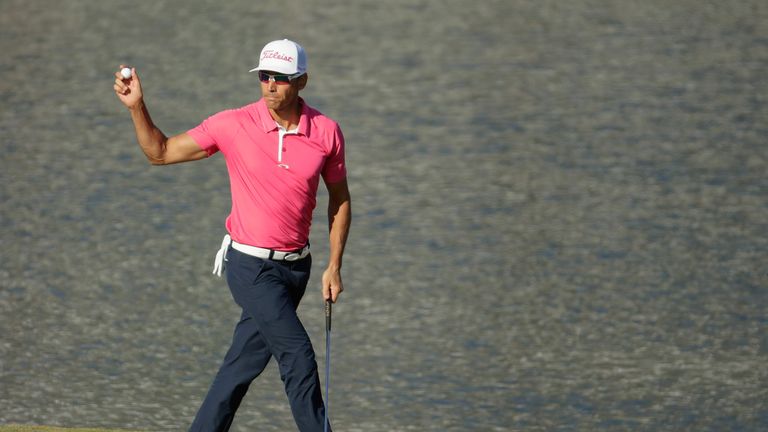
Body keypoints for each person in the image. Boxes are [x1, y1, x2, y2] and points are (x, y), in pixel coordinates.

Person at [113, 39, 350, 432]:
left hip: (297, 270)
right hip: (250, 266)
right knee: (298, 355)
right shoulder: (232, 124)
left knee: (240, 368)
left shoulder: (326, 133)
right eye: (265, 77)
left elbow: (340, 201)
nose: (271, 85)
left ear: (302, 81)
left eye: (281, 78)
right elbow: (161, 152)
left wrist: (334, 265)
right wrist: (137, 106)